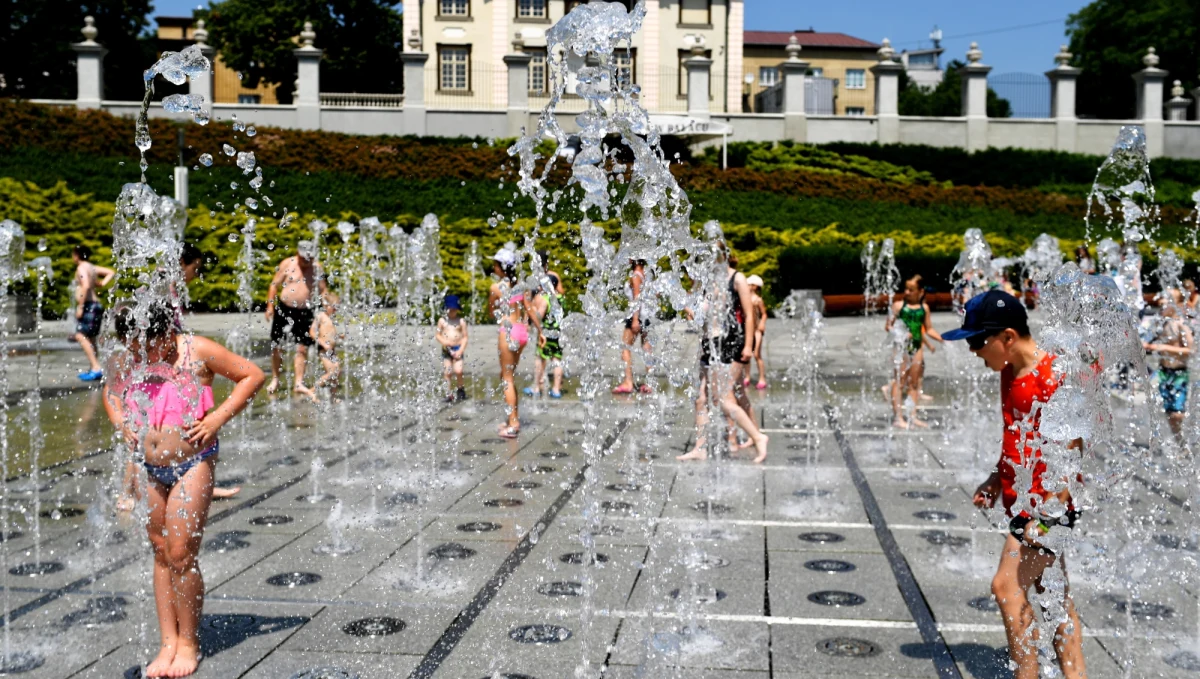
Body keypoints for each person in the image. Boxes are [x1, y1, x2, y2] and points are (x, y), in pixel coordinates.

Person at [102, 301, 264, 678]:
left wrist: (217, 418)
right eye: (134, 347)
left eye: (150, 345)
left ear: (167, 332)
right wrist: (121, 421)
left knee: (181, 553)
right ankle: (168, 643)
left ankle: (189, 642)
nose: (143, 355)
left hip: (193, 463)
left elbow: (252, 375)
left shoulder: (197, 350)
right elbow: (111, 391)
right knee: (160, 551)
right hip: (149, 468)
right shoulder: (128, 357)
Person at [943, 290, 1087, 679]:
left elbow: (1072, 455)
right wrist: (996, 477)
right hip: (1028, 503)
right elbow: (1018, 437)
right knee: (1053, 596)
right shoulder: (1010, 371)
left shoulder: (1053, 377)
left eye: (978, 341)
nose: (973, 350)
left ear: (1007, 337)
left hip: (1047, 507)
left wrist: (1045, 518)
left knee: (1006, 588)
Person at [678, 244, 768, 464]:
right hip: (709, 342)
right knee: (701, 398)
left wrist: (748, 346)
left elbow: (749, 315)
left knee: (722, 398)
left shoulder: (737, 278)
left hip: (729, 342)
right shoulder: (708, 281)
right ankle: (700, 448)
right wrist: (684, 304)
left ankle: (758, 436)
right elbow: (700, 315)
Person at [264, 241, 333, 398]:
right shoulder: (288, 264)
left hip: (305, 311)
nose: (307, 261)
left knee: (302, 347)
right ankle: (275, 379)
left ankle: (298, 382)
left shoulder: (317, 267)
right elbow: (274, 285)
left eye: (310, 258)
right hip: (284, 309)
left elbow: (323, 290)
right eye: (304, 258)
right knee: (277, 346)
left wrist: (326, 307)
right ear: (298, 254)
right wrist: (270, 306)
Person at [489, 246, 542, 438]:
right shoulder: (522, 286)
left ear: (501, 268)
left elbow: (491, 312)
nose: (493, 267)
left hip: (508, 332)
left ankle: (513, 423)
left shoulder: (496, 288)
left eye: (495, 264)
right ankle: (512, 417)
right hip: (522, 333)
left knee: (507, 379)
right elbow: (530, 309)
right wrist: (541, 331)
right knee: (508, 376)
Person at [884, 275, 941, 428]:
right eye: (906, 289)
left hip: (917, 348)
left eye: (911, 289)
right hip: (901, 348)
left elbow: (929, 329)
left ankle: (912, 416)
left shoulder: (924, 308)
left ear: (920, 292)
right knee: (900, 382)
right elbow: (888, 326)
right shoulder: (898, 306)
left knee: (914, 383)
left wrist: (942, 339)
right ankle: (898, 418)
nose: (907, 292)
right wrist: (901, 333)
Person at [1145, 289, 1192, 439]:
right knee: (1169, 412)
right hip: (1164, 372)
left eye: (1168, 299)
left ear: (1178, 304)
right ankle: (1180, 442)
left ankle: (1188, 436)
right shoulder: (1161, 324)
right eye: (1163, 298)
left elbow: (1191, 350)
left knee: (1177, 413)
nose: (1162, 302)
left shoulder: (1181, 324)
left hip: (1178, 373)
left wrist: (1162, 347)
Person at [71, 245, 115, 382]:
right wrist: (101, 283)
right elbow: (110, 272)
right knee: (91, 338)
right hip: (95, 305)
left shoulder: (81, 268)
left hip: (89, 305)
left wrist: (81, 306)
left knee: (80, 335)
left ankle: (96, 367)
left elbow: (85, 285)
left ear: (77, 255)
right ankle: (94, 368)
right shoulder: (91, 267)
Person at [613, 259, 653, 394]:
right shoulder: (645, 275)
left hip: (637, 316)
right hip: (646, 316)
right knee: (646, 348)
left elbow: (637, 298)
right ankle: (650, 383)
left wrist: (635, 319)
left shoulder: (635, 276)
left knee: (625, 347)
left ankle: (628, 382)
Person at [527, 274, 565, 399]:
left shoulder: (546, 299)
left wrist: (532, 311)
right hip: (558, 334)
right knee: (557, 360)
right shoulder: (561, 298)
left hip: (546, 335)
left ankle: (536, 388)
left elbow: (539, 316)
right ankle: (556, 389)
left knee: (540, 359)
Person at [309, 299, 344, 402]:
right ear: (326, 306)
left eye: (337, 307)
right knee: (331, 372)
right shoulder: (320, 316)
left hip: (331, 349)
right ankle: (312, 391)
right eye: (333, 307)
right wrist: (323, 343)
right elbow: (312, 332)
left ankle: (333, 396)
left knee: (337, 372)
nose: (335, 309)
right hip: (323, 349)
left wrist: (339, 336)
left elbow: (330, 332)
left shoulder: (331, 317)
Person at [436, 295, 469, 403]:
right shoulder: (442, 321)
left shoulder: (461, 321)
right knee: (448, 372)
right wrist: (444, 341)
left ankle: (461, 389)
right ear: (446, 309)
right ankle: (448, 393)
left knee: (459, 370)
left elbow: (465, 337)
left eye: (454, 310)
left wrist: (461, 350)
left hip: (457, 347)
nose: (452, 312)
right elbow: (437, 335)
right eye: (450, 310)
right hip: (446, 349)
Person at [744, 274, 768, 390]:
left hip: (757, 330)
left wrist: (762, 323)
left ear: (755, 287)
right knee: (746, 354)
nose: (748, 286)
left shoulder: (758, 300)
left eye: (750, 285)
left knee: (757, 354)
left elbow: (764, 314)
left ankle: (762, 378)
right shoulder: (744, 298)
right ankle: (747, 376)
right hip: (747, 330)